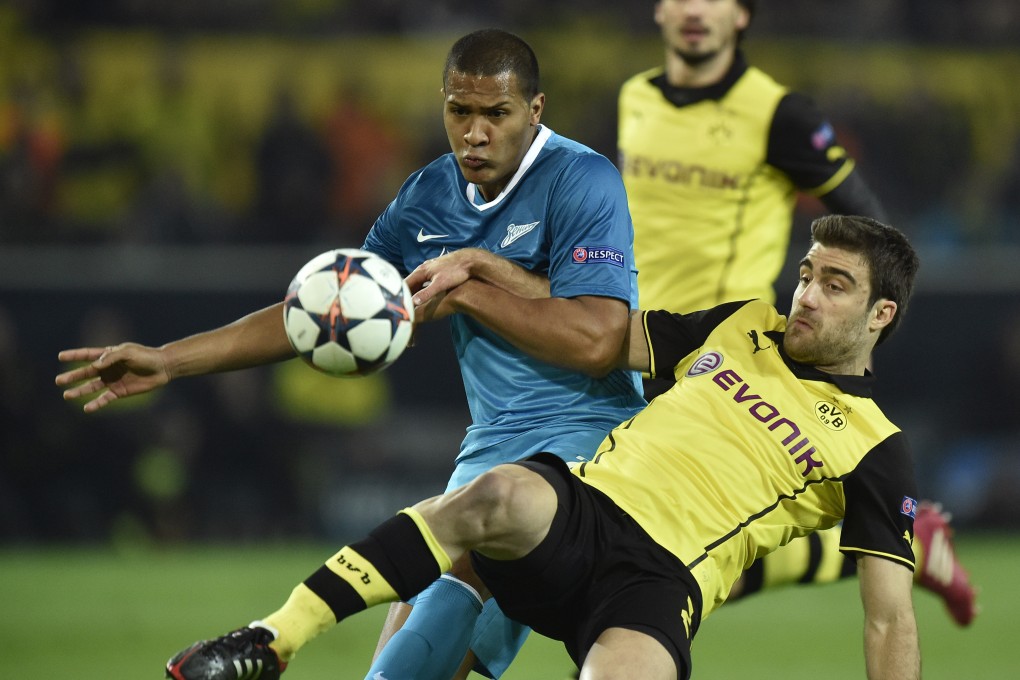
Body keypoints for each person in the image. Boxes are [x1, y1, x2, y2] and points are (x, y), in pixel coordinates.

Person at [55, 29, 646, 680]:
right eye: (459, 111)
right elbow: (325, 313)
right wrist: (170, 360)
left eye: (496, 114)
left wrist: (475, 286)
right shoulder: (424, 198)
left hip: (590, 451)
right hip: (490, 449)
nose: (475, 133)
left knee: (461, 585)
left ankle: (274, 637)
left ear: (535, 111)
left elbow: (598, 339)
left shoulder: (581, 179)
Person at [160, 214, 924, 680]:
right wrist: (491, 272)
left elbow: (888, 619)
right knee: (495, 494)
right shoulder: (743, 324)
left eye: (835, 285)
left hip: (661, 584)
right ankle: (272, 638)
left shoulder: (875, 448)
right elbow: (597, 334)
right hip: (585, 509)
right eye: (806, 274)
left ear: (881, 312)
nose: (807, 295)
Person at [619, 0, 975, 626]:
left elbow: (868, 224)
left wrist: (854, 325)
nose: (696, 10)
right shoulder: (635, 97)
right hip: (637, 338)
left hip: (721, 358)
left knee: (660, 558)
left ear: (743, 15)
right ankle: (913, 543)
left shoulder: (778, 115)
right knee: (662, 549)